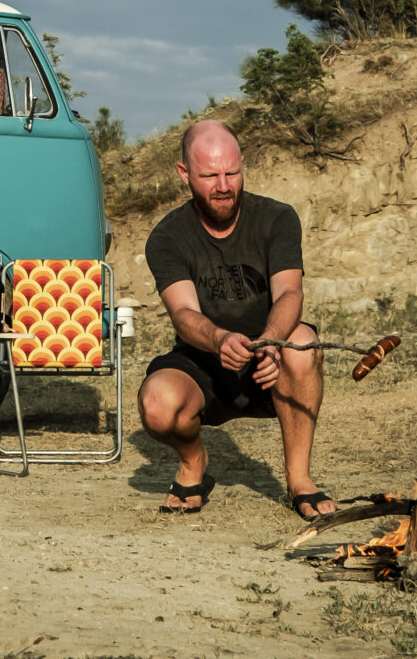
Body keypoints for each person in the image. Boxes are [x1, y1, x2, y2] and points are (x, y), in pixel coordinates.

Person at [139, 118, 333, 519]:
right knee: (157, 405)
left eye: (232, 172)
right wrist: (220, 339)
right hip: (204, 360)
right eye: (209, 175)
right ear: (184, 174)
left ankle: (299, 480)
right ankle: (194, 462)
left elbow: (290, 292)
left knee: (302, 344)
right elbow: (183, 313)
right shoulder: (167, 236)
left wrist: (270, 341)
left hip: (272, 358)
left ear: (243, 164)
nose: (223, 185)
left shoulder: (277, 219)